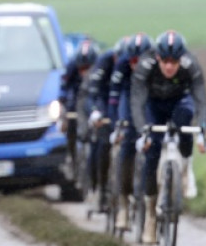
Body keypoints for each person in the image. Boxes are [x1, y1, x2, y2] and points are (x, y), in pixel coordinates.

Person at [130, 29, 206, 244]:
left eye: (174, 61)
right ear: (157, 57)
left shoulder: (190, 66)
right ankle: (150, 216)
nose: (169, 66)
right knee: (152, 151)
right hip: (153, 106)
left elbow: (201, 100)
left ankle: (185, 168)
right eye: (165, 61)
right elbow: (137, 101)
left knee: (186, 120)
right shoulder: (145, 65)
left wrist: (202, 131)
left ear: (181, 58)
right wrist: (141, 132)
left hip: (179, 103)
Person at [108, 33, 152, 230]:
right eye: (133, 60)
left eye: (140, 61)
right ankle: (124, 204)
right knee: (127, 139)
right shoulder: (122, 65)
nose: (136, 65)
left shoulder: (155, 66)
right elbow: (114, 99)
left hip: (149, 95)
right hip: (128, 94)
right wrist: (117, 124)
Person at [84, 36, 128, 213]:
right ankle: (101, 187)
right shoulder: (104, 62)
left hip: (121, 105)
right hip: (103, 102)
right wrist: (96, 111)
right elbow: (93, 91)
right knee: (102, 144)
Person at [58, 38, 98, 177]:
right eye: (82, 69)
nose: (85, 72)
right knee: (70, 128)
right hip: (75, 102)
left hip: (92, 100)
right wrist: (62, 105)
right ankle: (71, 157)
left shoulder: (99, 69)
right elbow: (63, 87)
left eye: (88, 68)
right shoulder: (71, 66)